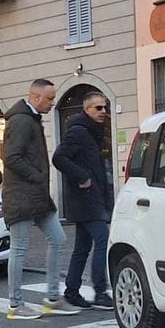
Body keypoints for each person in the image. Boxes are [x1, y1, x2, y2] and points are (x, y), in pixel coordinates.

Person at [0, 79, 81, 320]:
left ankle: (52, 298)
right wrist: (36, 176)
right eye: (50, 98)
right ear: (36, 97)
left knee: (58, 239)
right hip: (22, 196)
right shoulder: (21, 121)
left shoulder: (31, 119)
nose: (52, 103)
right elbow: (11, 157)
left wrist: (37, 180)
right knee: (19, 248)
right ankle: (15, 304)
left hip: (36, 195)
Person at [52, 92, 115, 310]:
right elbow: (59, 157)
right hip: (86, 199)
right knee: (103, 240)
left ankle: (71, 292)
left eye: (105, 107)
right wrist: (82, 177)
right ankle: (100, 292)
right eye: (98, 108)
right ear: (87, 110)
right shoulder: (79, 132)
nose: (103, 111)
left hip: (91, 198)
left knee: (82, 247)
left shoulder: (93, 131)